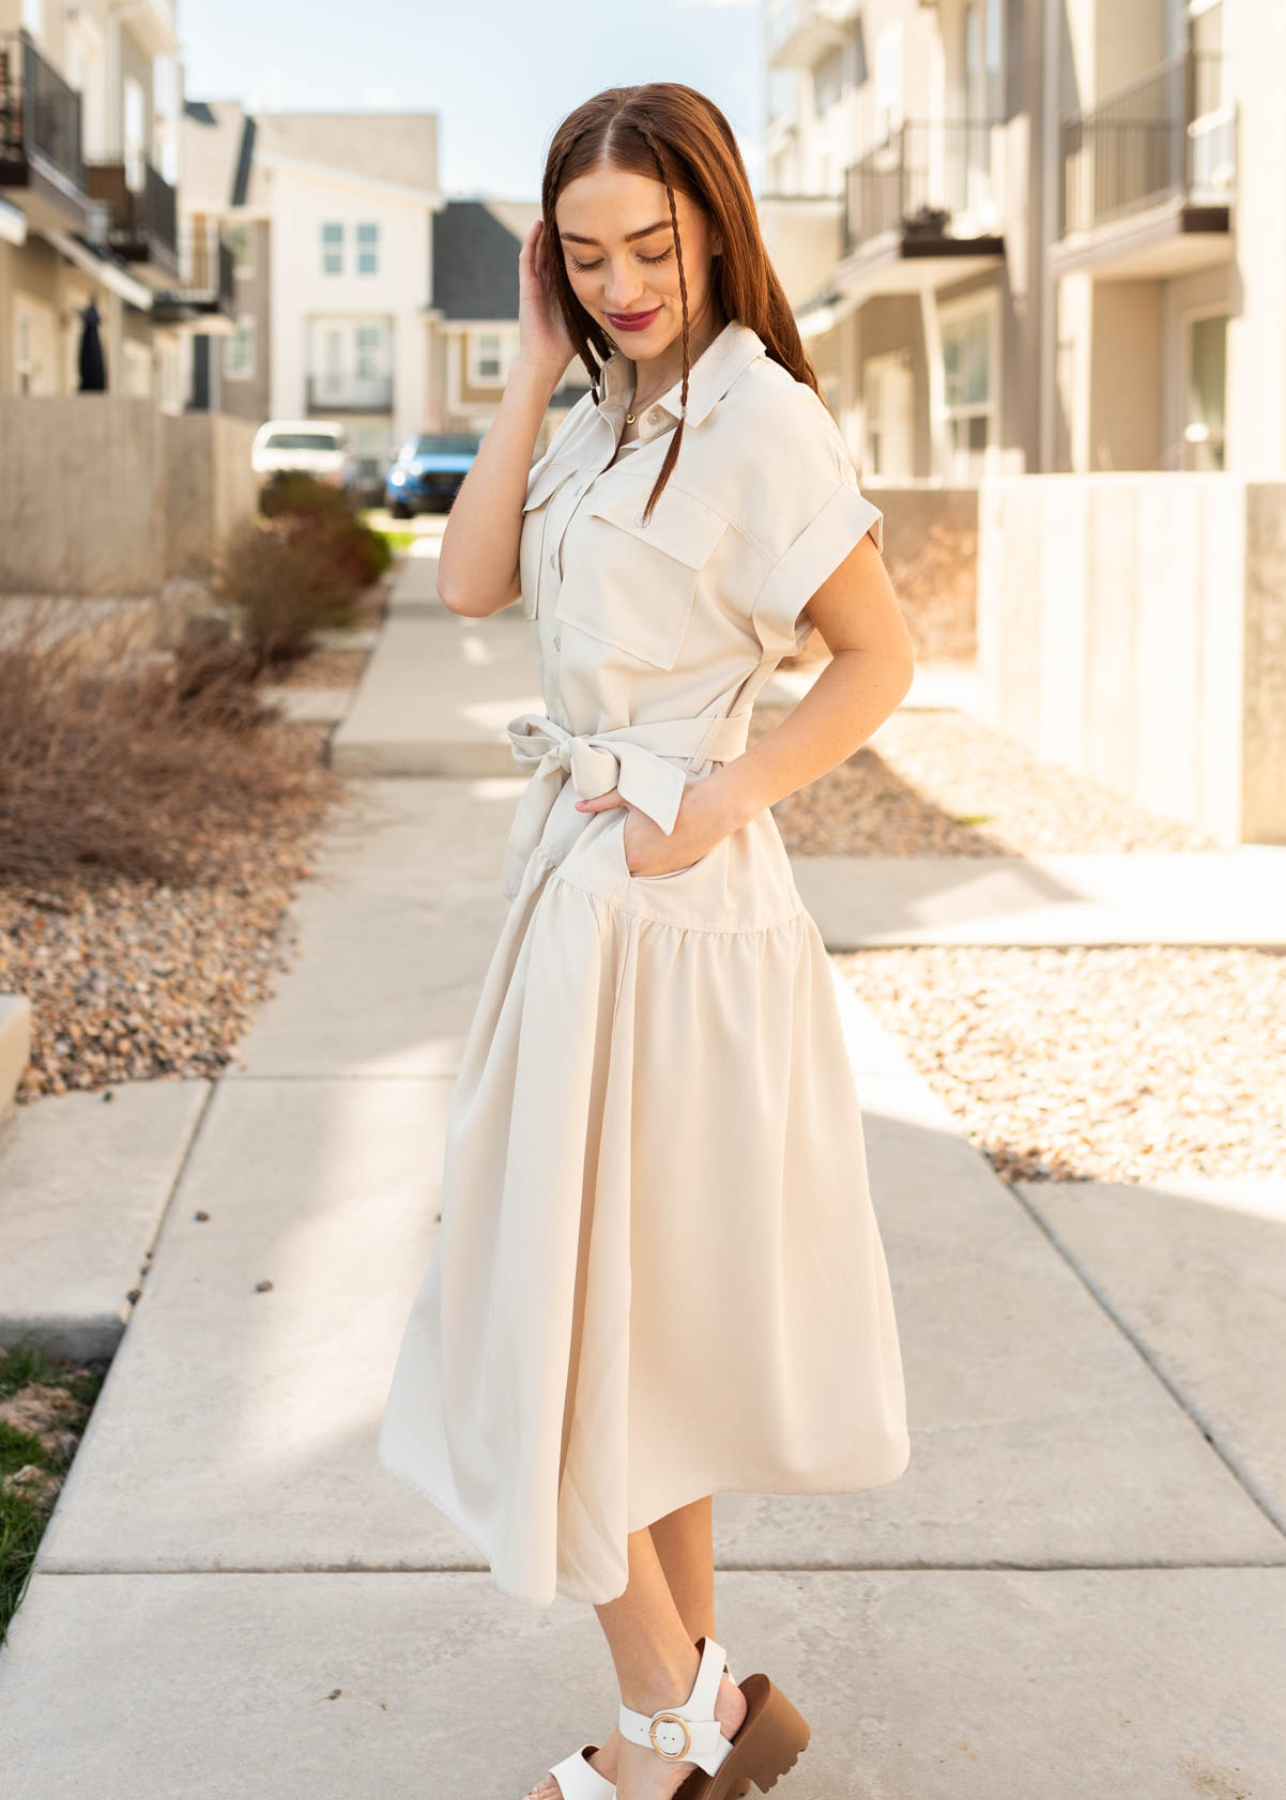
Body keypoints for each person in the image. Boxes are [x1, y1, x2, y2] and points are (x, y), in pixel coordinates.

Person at [376, 82, 916, 1800]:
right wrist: (531, 366)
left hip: (676, 904)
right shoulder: (602, 405)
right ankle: (699, 1717)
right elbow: (468, 590)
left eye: (651, 247)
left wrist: (722, 796)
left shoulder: (758, 420)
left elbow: (875, 658)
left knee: (559, 1330)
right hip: (576, 890)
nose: (622, 282)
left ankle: (676, 1719)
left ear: (714, 225)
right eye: (587, 252)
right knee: (619, 1330)